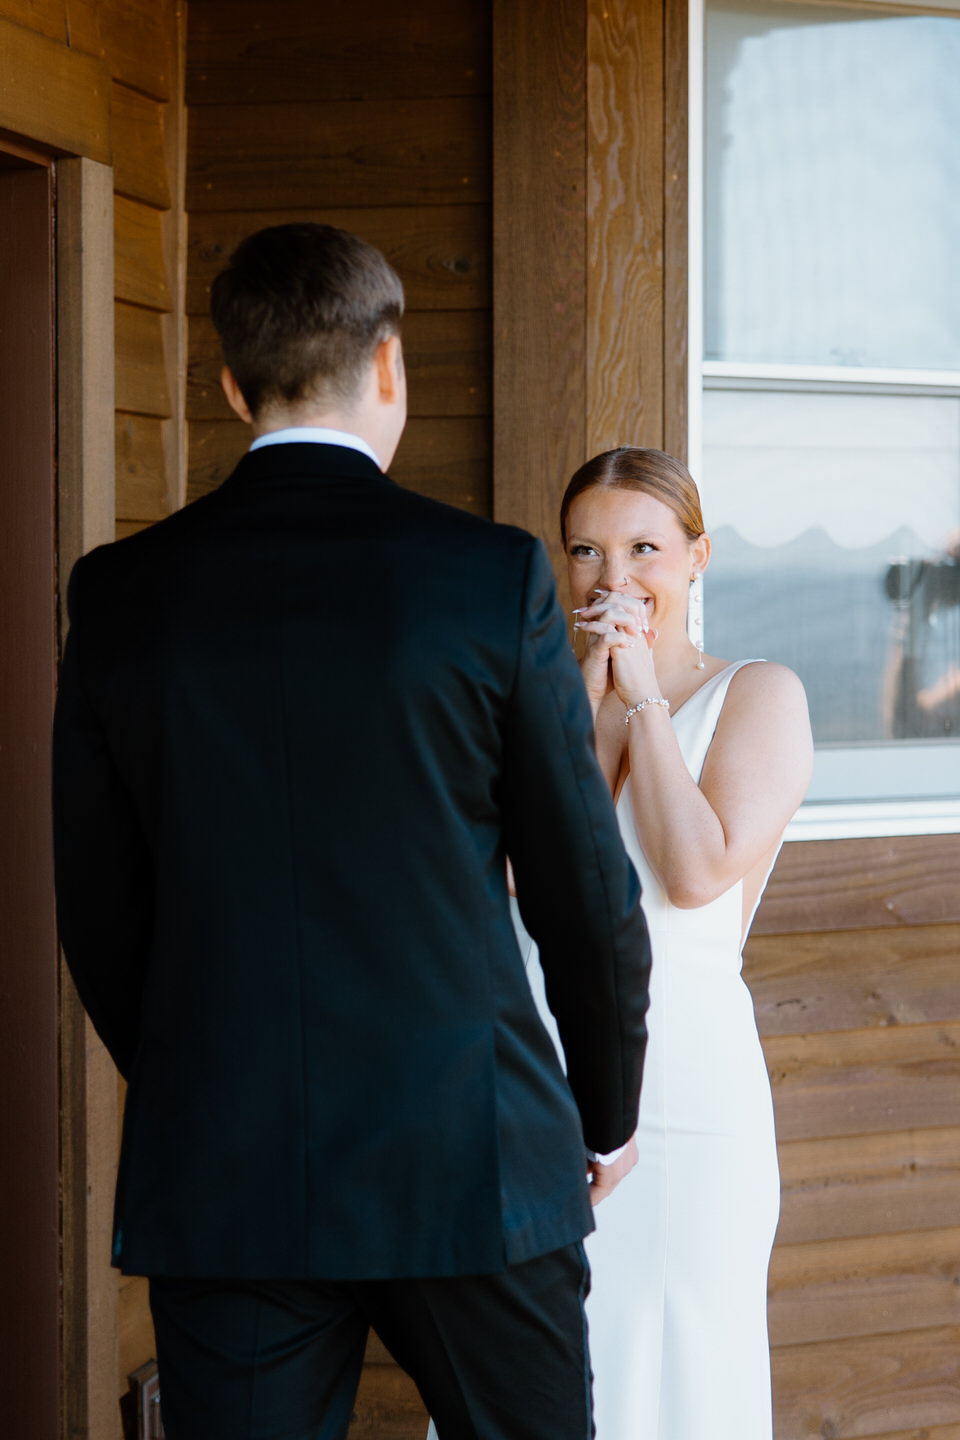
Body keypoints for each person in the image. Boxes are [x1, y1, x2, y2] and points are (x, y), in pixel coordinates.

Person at [52, 226, 652, 1440]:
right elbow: (584, 881)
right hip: (474, 1154)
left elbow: (99, 908)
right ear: (391, 365)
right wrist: (606, 1108)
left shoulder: (118, 591)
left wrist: (201, 1071)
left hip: (227, 1167)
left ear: (230, 387)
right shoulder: (487, 578)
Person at [516, 447, 812, 1439]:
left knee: (680, 1370)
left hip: (687, 1097)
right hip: (545, 1087)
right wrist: (587, 708)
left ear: (697, 557)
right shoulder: (547, 704)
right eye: (587, 552)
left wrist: (644, 699)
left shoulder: (760, 692)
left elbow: (692, 876)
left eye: (645, 547)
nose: (615, 579)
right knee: (539, 1374)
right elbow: (527, 882)